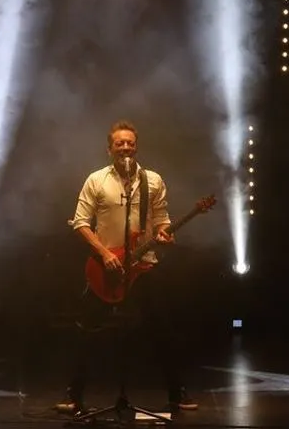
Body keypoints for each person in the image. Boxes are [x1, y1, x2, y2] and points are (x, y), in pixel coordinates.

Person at [56, 120, 197, 414]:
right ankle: (74, 394)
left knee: (163, 328)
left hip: (143, 265)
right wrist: (105, 254)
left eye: (130, 143)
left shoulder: (152, 181)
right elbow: (80, 223)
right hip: (106, 267)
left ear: (136, 146)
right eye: (119, 143)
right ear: (109, 148)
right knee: (87, 331)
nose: (125, 147)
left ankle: (177, 393)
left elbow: (162, 219)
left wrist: (164, 233)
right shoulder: (96, 180)